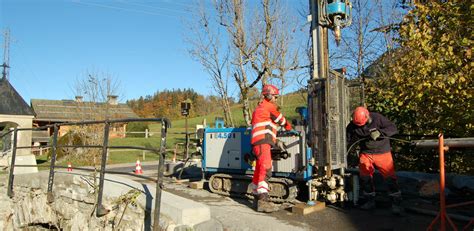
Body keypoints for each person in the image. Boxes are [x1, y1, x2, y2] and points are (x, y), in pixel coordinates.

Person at [346, 106, 402, 214]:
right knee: (365, 177)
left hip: (382, 153)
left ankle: (396, 203)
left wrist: (380, 133)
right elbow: (347, 138)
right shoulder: (353, 125)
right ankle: (370, 201)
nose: (362, 127)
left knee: (390, 178)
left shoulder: (377, 118)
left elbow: (393, 128)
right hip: (366, 153)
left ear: (368, 117)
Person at [250, 84, 293, 213]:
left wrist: (275, 139)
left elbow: (265, 124)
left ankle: (257, 198)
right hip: (263, 142)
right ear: (268, 96)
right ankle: (263, 201)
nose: (276, 99)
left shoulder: (258, 108)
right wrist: (289, 127)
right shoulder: (269, 106)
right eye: (275, 96)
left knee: (259, 169)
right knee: (266, 168)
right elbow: (281, 119)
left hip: (257, 143)